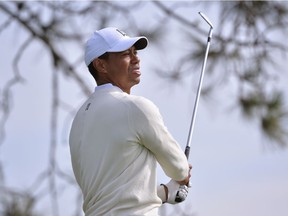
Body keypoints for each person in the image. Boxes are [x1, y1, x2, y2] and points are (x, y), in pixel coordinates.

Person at [69, 27, 192, 216]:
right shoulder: (135, 108)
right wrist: (182, 175)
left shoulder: (78, 121)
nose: (136, 58)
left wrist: (164, 193)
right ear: (101, 65)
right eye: (126, 54)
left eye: (135, 52)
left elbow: (113, 195)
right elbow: (179, 169)